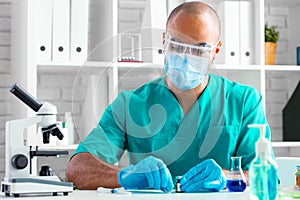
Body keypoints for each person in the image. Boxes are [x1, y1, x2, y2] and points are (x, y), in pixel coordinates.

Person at [66, 1, 271, 193]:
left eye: (199, 49)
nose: (185, 57)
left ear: (216, 51)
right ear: (164, 41)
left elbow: (266, 176)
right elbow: (77, 170)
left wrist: (228, 177)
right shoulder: (131, 105)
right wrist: (125, 175)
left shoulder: (244, 102)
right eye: (178, 45)